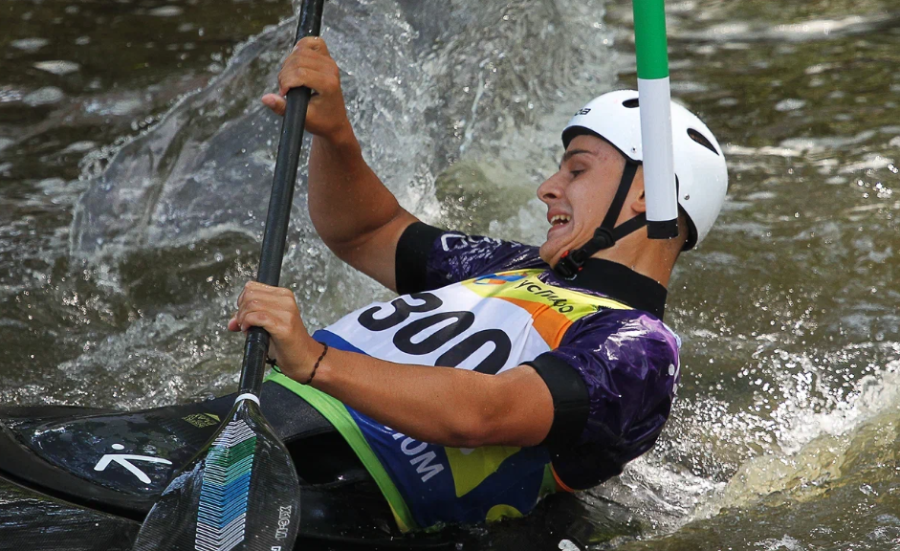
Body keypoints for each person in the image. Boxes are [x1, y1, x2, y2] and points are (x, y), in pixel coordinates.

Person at [227, 37, 728, 532]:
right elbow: (367, 232)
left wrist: (315, 360)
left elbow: (485, 413)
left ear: (648, 195)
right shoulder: (514, 264)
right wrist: (334, 134)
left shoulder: (640, 351)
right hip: (258, 418)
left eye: (577, 170)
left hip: (338, 492)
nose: (547, 189)